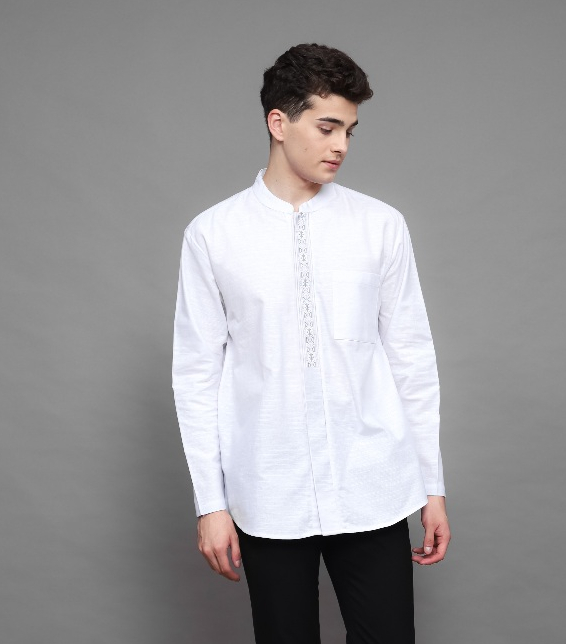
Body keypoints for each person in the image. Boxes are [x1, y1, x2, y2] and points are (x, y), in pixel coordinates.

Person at [172, 43, 451, 644]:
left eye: (349, 130)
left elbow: (412, 358)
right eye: (327, 128)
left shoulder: (381, 225)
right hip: (267, 492)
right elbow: (195, 375)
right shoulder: (213, 235)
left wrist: (432, 487)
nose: (341, 145)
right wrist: (210, 503)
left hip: (373, 485)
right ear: (278, 122)